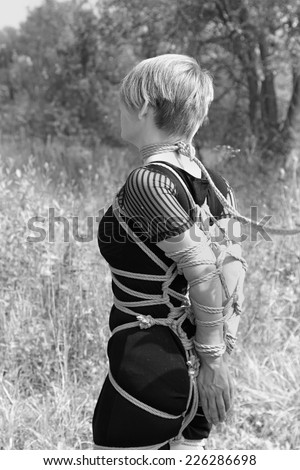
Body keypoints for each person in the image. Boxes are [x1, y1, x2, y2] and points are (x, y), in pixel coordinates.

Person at [93, 54, 246, 450]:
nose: (120, 110)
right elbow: (234, 275)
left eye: (125, 100)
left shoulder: (148, 182)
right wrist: (214, 360)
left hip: (148, 370)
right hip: (191, 372)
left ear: (145, 106)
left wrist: (212, 361)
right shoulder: (217, 184)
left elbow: (207, 272)